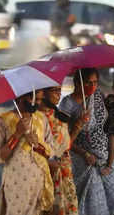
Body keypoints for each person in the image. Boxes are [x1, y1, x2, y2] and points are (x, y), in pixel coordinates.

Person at [59, 68, 114, 215]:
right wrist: (84, 152)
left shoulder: (98, 96)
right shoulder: (66, 105)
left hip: (106, 154)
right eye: (88, 83)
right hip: (85, 160)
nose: (92, 86)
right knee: (94, 205)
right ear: (77, 83)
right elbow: (63, 140)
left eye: (95, 82)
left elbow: (108, 120)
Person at [0, 90, 55, 215]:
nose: (36, 103)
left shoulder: (42, 119)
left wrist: (38, 145)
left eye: (39, 100)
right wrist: (17, 134)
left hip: (39, 183)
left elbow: (51, 151)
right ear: (20, 97)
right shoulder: (2, 120)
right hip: (16, 185)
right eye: (33, 99)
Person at [39, 86, 86, 215]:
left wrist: (79, 125)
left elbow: (66, 145)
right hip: (45, 174)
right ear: (43, 93)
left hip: (64, 173)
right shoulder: (36, 118)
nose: (58, 94)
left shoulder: (60, 116)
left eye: (59, 90)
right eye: (54, 90)